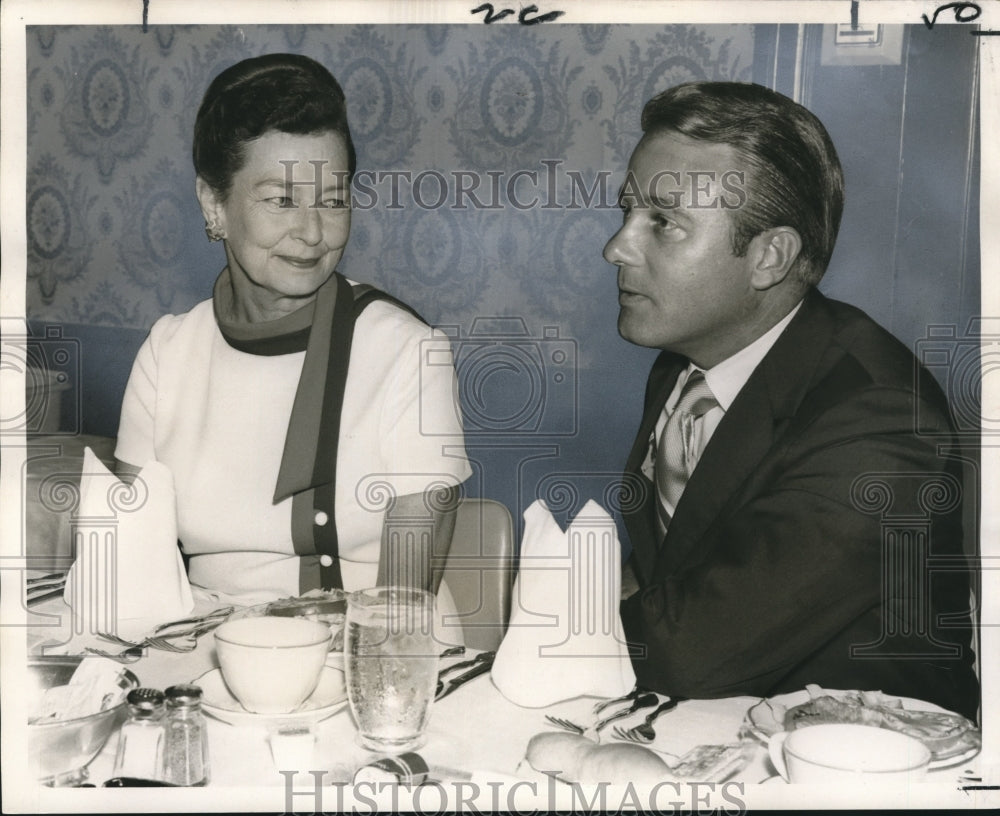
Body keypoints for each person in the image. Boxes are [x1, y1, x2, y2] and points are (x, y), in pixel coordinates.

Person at [605, 81, 979, 720]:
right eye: (627, 213)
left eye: (663, 222)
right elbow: (676, 562)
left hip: (864, 758)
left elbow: (698, 647)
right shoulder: (684, 363)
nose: (616, 247)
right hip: (710, 721)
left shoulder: (881, 414)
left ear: (769, 257)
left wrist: (537, 632)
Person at [115, 54, 471, 613]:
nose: (311, 232)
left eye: (332, 200)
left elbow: (401, 606)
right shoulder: (168, 351)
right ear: (215, 205)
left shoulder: (407, 352)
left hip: (361, 657)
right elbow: (130, 560)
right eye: (281, 200)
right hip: (199, 651)